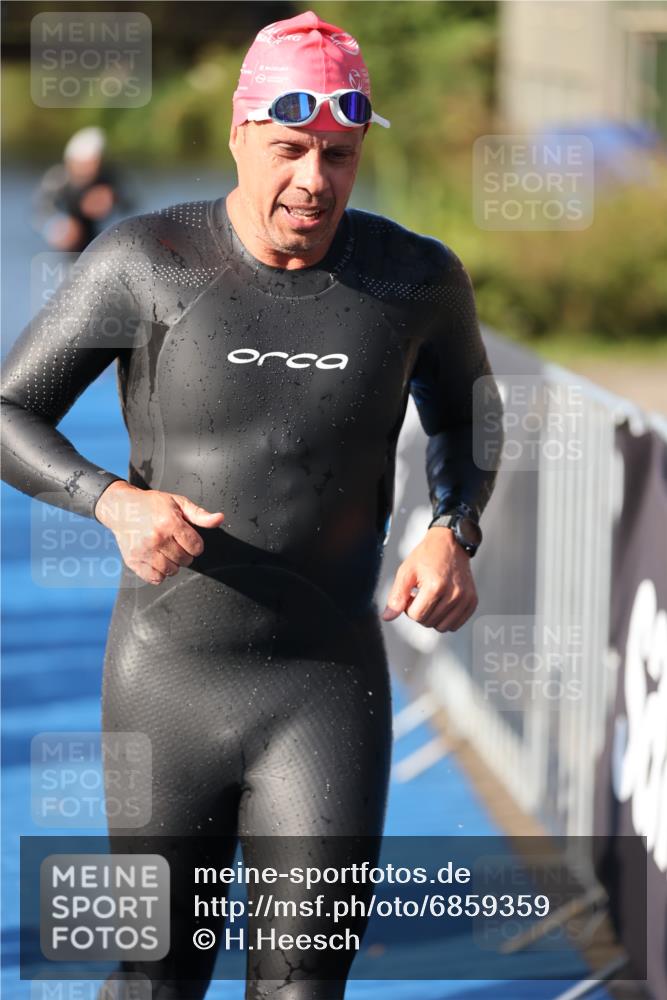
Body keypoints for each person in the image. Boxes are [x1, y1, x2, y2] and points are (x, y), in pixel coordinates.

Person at [1, 9, 503, 999]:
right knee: (156, 975)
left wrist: (453, 528)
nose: (314, 182)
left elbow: (470, 419)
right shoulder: (146, 261)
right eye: (289, 150)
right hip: (165, 682)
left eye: (339, 155)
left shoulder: (412, 278)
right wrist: (113, 504)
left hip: (325, 685)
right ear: (238, 135)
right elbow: (10, 410)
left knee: (304, 982)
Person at [32, 126, 131, 253]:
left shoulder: (109, 178)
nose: (90, 170)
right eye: (84, 164)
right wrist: (58, 226)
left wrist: (113, 202)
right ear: (70, 161)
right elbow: (37, 209)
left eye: (95, 163)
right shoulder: (57, 179)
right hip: (65, 252)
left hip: (100, 247)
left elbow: (130, 207)